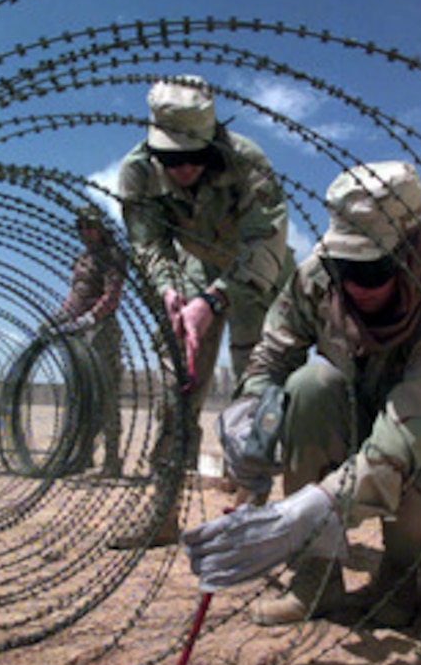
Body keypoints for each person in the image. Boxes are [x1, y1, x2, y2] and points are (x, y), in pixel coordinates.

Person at [184, 160, 421, 628]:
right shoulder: (316, 279)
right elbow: (272, 356)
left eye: (375, 270)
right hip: (356, 412)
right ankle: (316, 582)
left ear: (412, 252)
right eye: (346, 267)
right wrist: (250, 416)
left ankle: (397, 583)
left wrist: (314, 508)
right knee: (310, 386)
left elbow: (406, 437)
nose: (358, 285)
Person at [117, 74, 295, 545]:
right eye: (170, 159)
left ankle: (250, 514)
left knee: (257, 395)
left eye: (192, 157)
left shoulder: (248, 162)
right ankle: (162, 513)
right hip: (195, 272)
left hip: (259, 277)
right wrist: (171, 293)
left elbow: (265, 244)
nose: (181, 169)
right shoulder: (137, 172)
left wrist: (215, 300)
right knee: (179, 387)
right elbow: (149, 244)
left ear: (213, 141)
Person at [49, 203, 125, 477]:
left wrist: (92, 317)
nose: (85, 231)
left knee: (105, 396)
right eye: (81, 227)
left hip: (101, 332)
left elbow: (112, 294)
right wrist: (57, 318)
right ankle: (83, 456)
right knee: (80, 396)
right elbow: (74, 299)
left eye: (90, 226)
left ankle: (112, 461)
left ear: (102, 228)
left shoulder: (112, 255)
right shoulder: (82, 259)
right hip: (79, 332)